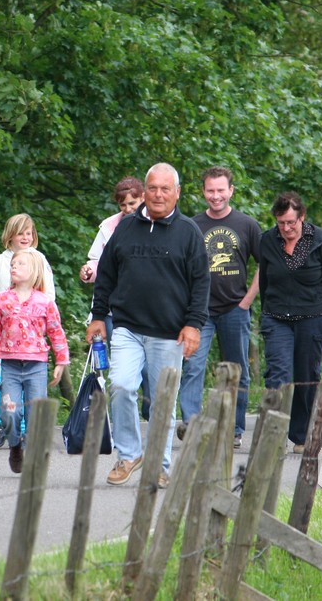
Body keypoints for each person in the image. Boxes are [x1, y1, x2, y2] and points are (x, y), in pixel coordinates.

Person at [86, 163, 210, 487]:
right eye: (152, 188)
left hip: (169, 334)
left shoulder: (189, 232)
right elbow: (106, 274)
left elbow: (201, 282)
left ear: (177, 193)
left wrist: (194, 325)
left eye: (165, 189)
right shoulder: (126, 228)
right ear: (144, 191)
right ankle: (129, 455)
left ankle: (158, 464)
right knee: (122, 386)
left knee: (162, 401)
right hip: (127, 327)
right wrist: (98, 316)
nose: (158, 194)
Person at [177, 166, 261, 450]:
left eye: (221, 190)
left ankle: (234, 428)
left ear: (231, 190)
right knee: (192, 365)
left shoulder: (247, 225)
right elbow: (180, 267)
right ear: (203, 192)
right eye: (210, 190)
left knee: (237, 370)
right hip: (199, 312)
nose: (216, 196)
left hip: (235, 309)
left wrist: (247, 301)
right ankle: (191, 424)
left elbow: (266, 264)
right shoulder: (191, 225)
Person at [258, 192, 322, 453]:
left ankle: (300, 435)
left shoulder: (320, 241)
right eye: (281, 223)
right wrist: (265, 313)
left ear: (302, 217)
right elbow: (265, 282)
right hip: (277, 318)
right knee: (279, 374)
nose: (286, 228)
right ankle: (272, 434)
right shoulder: (267, 241)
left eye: (291, 222)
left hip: (312, 317)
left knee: (307, 376)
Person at [0, 214, 56, 448]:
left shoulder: (39, 259)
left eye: (29, 233)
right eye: (20, 233)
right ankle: (4, 425)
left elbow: (49, 296)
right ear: (10, 235)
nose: (25, 237)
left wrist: (48, 329)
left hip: (31, 339)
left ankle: (27, 432)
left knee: (32, 388)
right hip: (4, 337)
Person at [0, 250, 69, 473]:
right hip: (10, 366)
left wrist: (61, 361)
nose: (14, 267)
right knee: (9, 412)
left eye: (20, 264)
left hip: (36, 367)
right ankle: (15, 446)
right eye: (12, 264)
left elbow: (56, 332)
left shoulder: (45, 302)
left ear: (34, 271)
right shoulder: (1, 300)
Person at [79, 177, 151, 419]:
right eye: (123, 205)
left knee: (148, 367)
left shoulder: (154, 224)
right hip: (113, 309)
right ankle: (119, 415)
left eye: (133, 203)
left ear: (143, 198)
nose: (128, 209)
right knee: (119, 364)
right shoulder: (109, 228)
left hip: (146, 307)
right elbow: (98, 262)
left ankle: (150, 406)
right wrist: (89, 271)